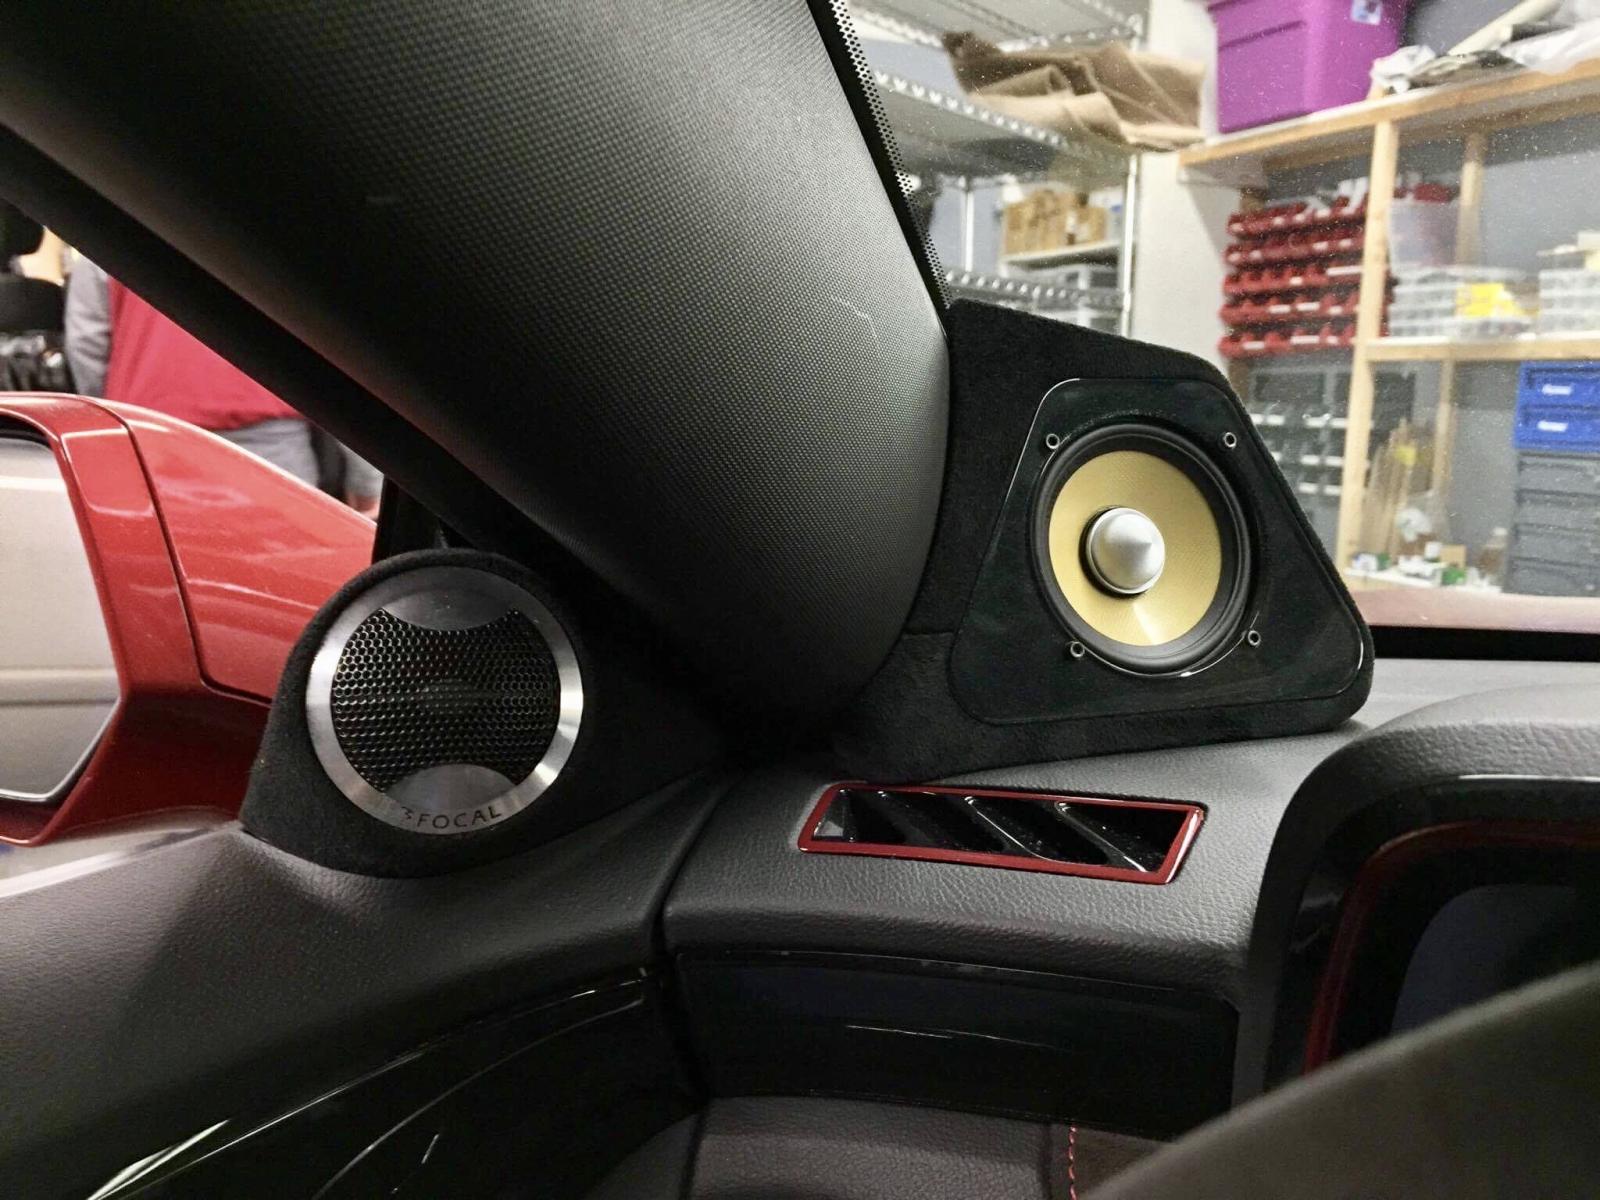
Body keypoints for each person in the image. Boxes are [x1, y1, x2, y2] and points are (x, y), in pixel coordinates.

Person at [64, 258, 380, 514]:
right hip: (273, 457)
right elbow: (335, 360)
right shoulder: (287, 236)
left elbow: (87, 345)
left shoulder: (112, 228)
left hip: (151, 450)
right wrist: (367, 480)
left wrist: (117, 426)